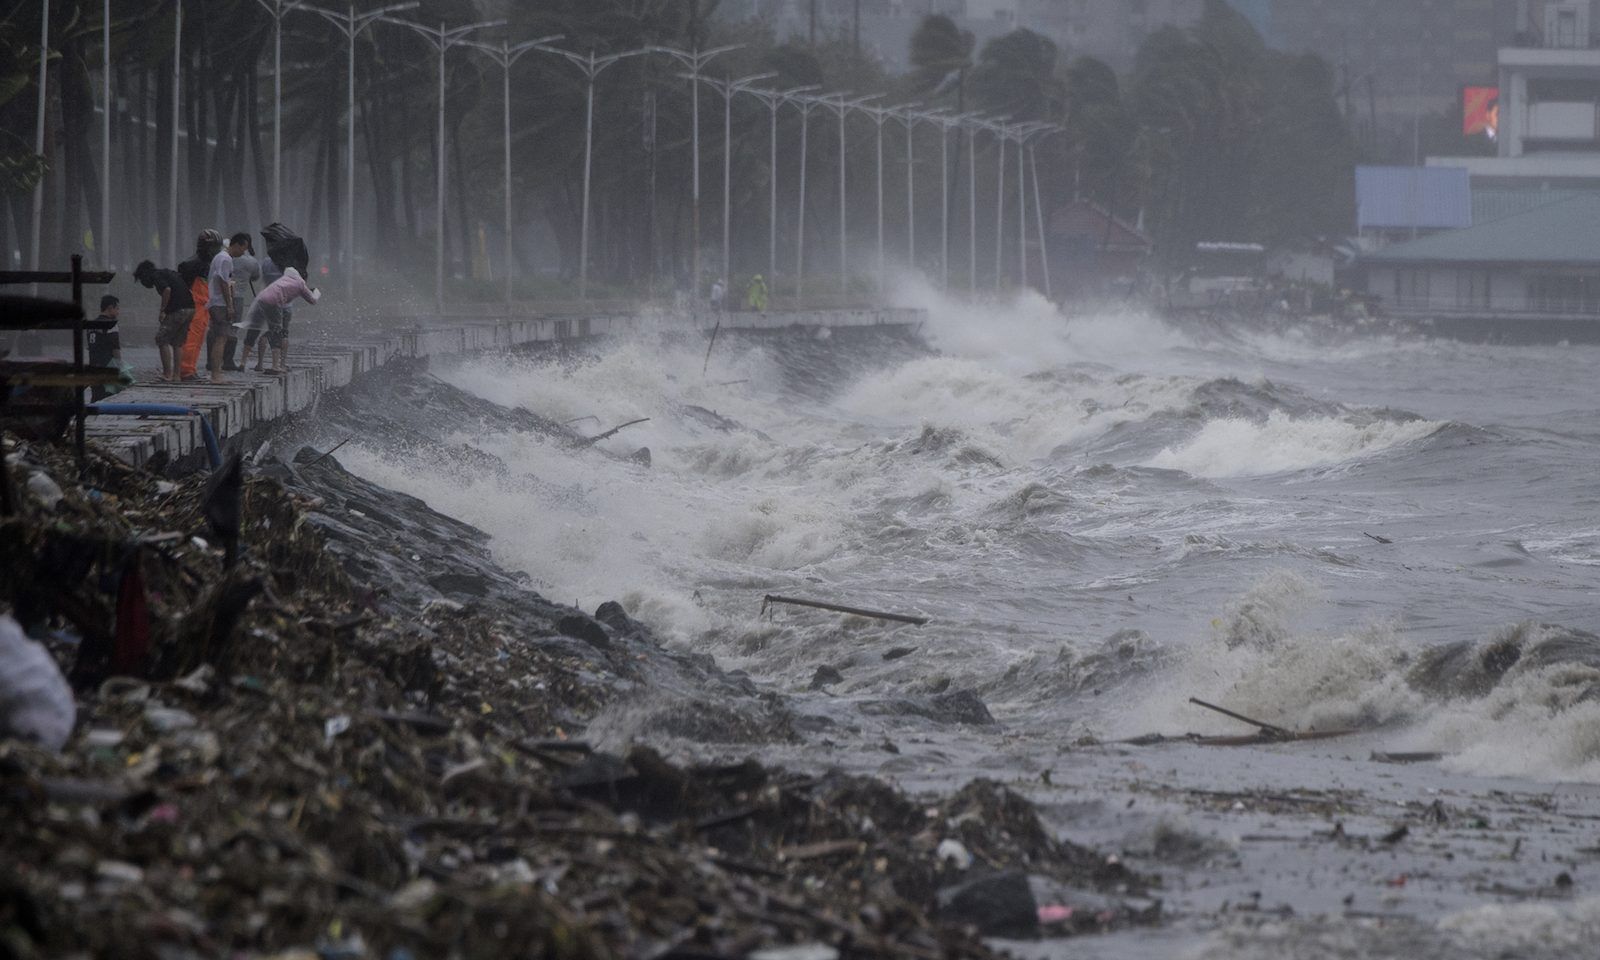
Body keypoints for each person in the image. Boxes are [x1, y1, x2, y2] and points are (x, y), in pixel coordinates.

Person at [237, 265, 320, 374]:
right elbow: (312, 300)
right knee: (277, 331)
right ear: (304, 278)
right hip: (273, 302)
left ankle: (245, 363)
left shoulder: (286, 278)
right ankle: (276, 365)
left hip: (261, 300)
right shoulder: (300, 283)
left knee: (255, 330)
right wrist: (317, 292)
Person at [133, 260, 194, 382]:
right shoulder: (168, 273)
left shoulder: (156, 276)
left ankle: (167, 374)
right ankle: (176, 376)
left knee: (161, 339)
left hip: (178, 310)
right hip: (191, 308)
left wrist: (162, 310)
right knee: (178, 343)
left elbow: (167, 290)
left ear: (145, 274)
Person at [177, 230, 222, 380]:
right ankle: (186, 370)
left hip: (204, 307)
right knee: (191, 339)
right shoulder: (192, 264)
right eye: (214, 248)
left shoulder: (206, 264)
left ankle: (191, 368)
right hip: (195, 307)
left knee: (197, 340)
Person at [204, 233, 244, 382]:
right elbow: (223, 282)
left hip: (214, 302)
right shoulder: (226, 259)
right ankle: (216, 374)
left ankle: (215, 371)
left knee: (216, 337)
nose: (243, 253)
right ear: (237, 245)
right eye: (244, 249)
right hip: (220, 304)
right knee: (222, 338)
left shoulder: (219, 257)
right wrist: (230, 305)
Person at [222, 232, 260, 370]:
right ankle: (227, 361)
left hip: (221, 296)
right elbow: (255, 277)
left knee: (219, 327)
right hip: (238, 297)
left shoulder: (223, 257)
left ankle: (213, 360)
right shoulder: (251, 262)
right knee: (234, 327)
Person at [85, 295, 121, 401]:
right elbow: (115, 348)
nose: (119, 312)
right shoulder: (111, 325)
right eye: (117, 308)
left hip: (94, 367)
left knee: (95, 397)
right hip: (107, 367)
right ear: (110, 308)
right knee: (107, 399)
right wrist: (119, 368)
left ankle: (90, 416)